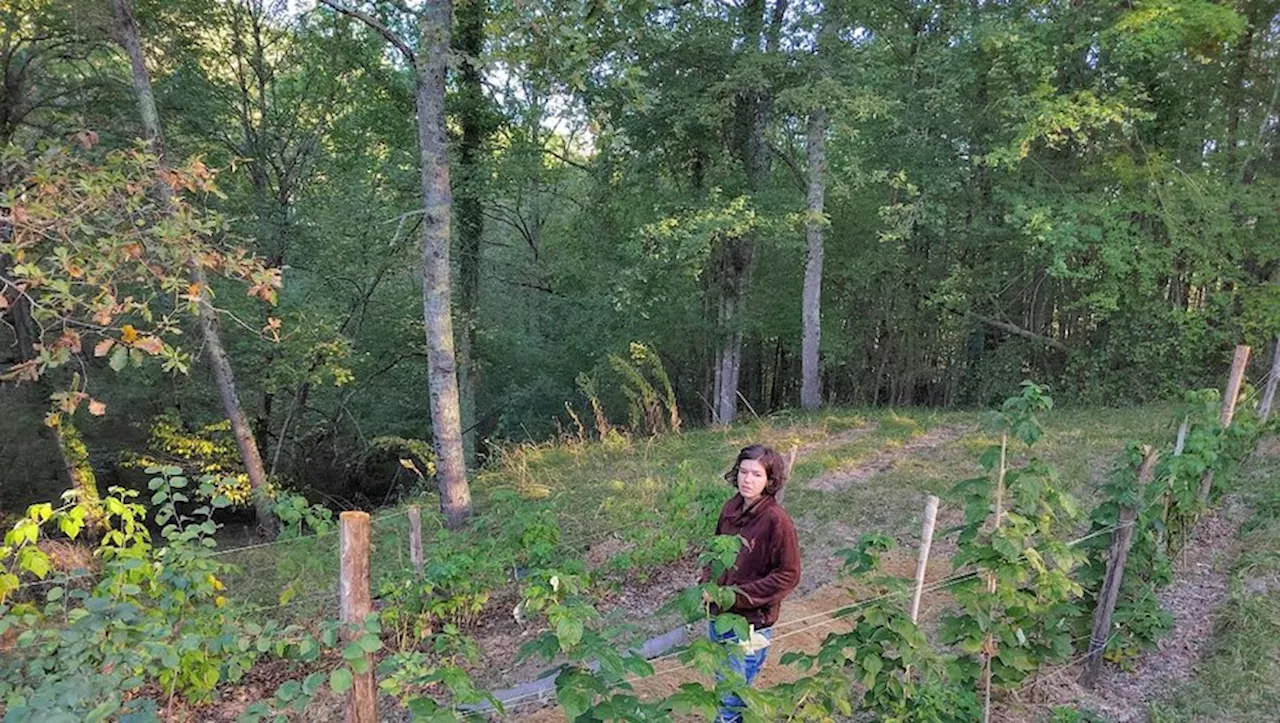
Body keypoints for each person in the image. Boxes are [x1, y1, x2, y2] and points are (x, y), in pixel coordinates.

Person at [702, 444, 802, 723]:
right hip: (718, 616)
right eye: (743, 472)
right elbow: (714, 553)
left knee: (730, 700)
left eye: (756, 475)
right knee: (727, 689)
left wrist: (736, 596)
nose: (747, 480)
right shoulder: (730, 509)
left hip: (749, 624)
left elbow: (788, 575)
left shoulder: (776, 521)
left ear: (770, 481)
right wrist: (708, 584)